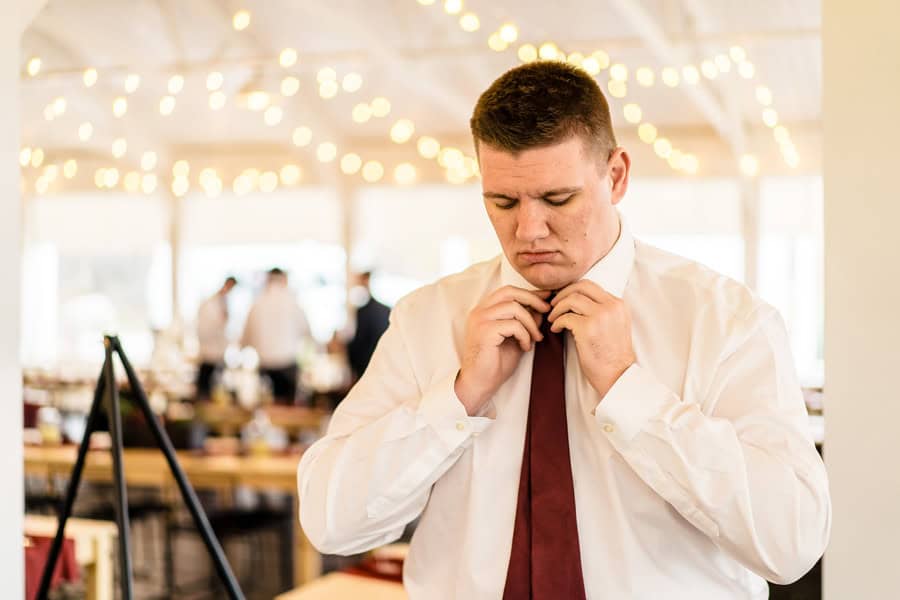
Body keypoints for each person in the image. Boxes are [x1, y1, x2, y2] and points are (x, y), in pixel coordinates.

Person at [297, 62, 830, 599]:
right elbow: (330, 520)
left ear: (616, 175)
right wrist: (457, 399)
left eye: (558, 199)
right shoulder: (428, 320)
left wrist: (631, 392)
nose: (528, 230)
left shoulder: (726, 321)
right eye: (502, 202)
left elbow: (791, 542)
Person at [240, 268, 310, 404]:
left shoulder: (258, 302)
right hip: (288, 363)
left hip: (265, 364)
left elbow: (246, 337)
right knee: (287, 410)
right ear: (283, 279)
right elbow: (306, 331)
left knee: (268, 408)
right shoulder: (292, 301)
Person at [194, 276, 236, 398]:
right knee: (205, 388)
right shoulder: (210, 304)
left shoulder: (222, 302)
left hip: (217, 353)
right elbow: (207, 328)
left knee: (215, 388)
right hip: (209, 353)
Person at [346, 271, 390, 381]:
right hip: (384, 365)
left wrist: (347, 353)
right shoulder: (386, 310)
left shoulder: (364, 311)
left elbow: (359, 342)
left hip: (367, 366)